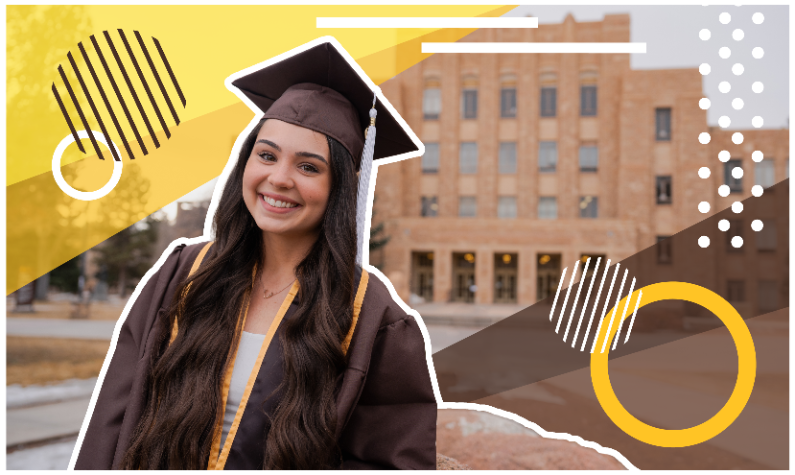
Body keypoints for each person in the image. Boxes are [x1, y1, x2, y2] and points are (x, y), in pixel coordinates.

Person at [73, 38, 436, 470]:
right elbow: (112, 422)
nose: (278, 179)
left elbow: (389, 460)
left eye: (308, 167)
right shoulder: (183, 276)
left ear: (340, 186)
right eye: (266, 155)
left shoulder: (369, 314)